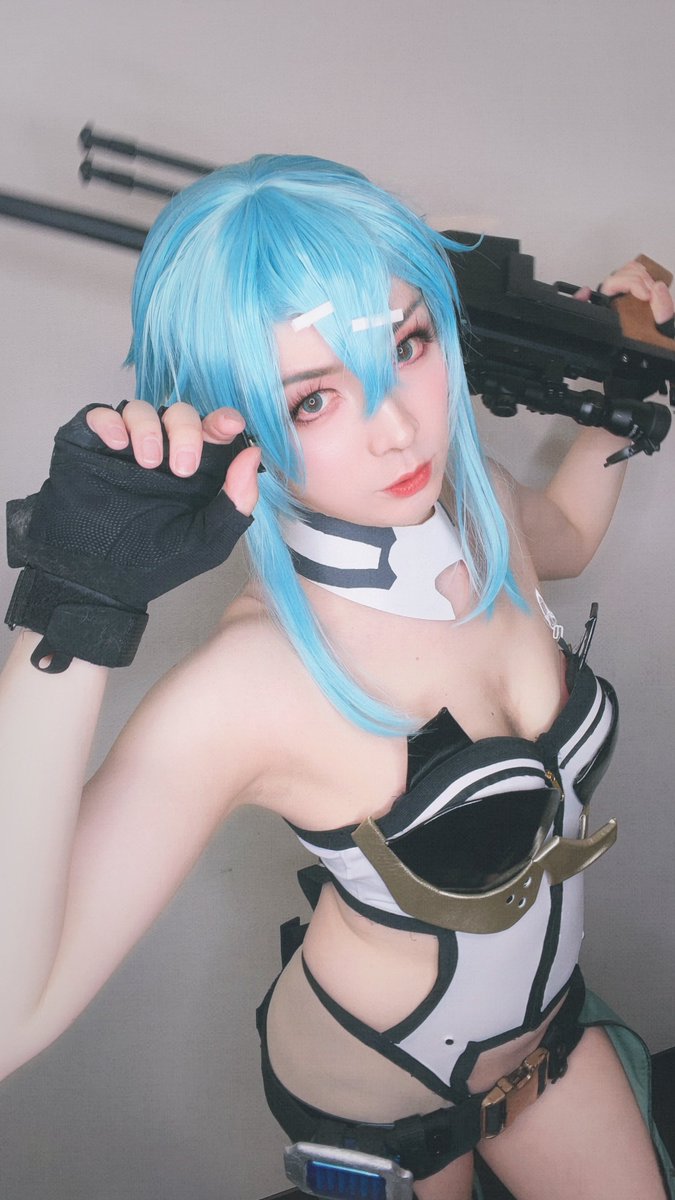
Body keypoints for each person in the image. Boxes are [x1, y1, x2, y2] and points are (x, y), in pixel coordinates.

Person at [0, 154, 672, 1200]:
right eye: (312, 400)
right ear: (230, 420)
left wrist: (627, 376)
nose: (398, 429)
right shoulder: (254, 682)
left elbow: (571, 535)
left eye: (407, 345)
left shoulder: (477, 506)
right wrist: (74, 608)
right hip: (377, 1087)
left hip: (547, 1034)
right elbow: (10, 1018)